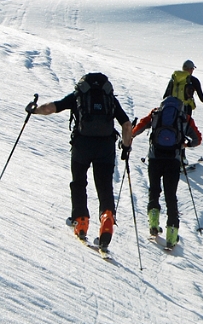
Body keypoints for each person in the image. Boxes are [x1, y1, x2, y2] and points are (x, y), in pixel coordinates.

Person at [29, 73, 133, 251]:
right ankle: (107, 217)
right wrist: (125, 146)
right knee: (104, 185)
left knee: (78, 182)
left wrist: (34, 109)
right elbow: (126, 125)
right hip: (105, 148)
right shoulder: (110, 100)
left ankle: (81, 221)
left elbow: (51, 108)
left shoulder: (78, 96)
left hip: (82, 146)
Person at [132, 96, 202, 247]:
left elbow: (141, 126)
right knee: (171, 196)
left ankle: (153, 223)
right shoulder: (185, 118)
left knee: (154, 191)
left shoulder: (156, 113)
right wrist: (184, 145)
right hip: (173, 161)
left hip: (155, 158)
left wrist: (130, 135)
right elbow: (197, 139)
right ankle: (172, 235)